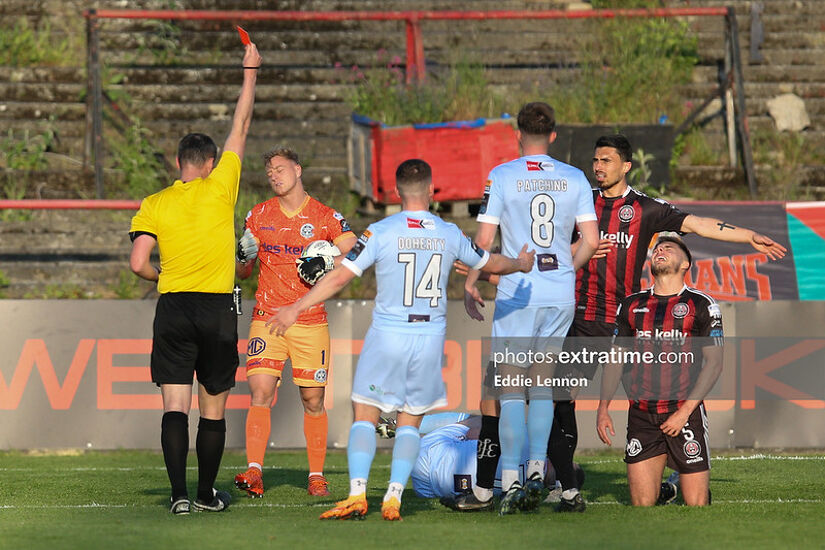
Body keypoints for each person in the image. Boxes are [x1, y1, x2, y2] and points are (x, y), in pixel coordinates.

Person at [270, 159, 536, 521]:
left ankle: (357, 494)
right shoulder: (449, 233)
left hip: (388, 334)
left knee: (365, 412)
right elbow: (490, 263)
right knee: (410, 419)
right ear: (431, 191)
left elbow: (339, 278)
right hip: (427, 337)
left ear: (395, 193)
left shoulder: (380, 231)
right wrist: (520, 265)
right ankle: (393, 496)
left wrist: (296, 307)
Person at [546, 133, 787, 512]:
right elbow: (549, 244)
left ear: (626, 166)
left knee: (657, 398)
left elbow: (701, 224)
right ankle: (565, 480)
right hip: (578, 317)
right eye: (596, 160)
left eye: (606, 161)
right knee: (560, 397)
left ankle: (681, 469)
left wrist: (748, 236)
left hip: (622, 320)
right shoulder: (581, 202)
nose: (598, 167)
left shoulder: (644, 208)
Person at [128, 41, 261, 514]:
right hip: (216, 306)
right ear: (208, 164)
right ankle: (207, 494)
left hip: (174, 305)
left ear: (179, 164)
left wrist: (163, 272)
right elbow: (240, 125)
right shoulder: (221, 186)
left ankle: (178, 496)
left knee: (173, 407)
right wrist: (249, 70)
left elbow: (138, 262)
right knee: (213, 408)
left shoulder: (156, 202)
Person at [463, 102, 599, 515]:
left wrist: (471, 281)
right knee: (542, 384)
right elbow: (591, 240)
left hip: (519, 290)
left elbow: (484, 241)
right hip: (559, 292)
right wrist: (564, 272)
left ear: (517, 134)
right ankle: (539, 470)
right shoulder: (575, 177)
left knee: (509, 389)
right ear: (553, 135)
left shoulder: (502, 175)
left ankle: (510, 481)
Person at [233, 147, 356, 498]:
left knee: (313, 399)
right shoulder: (258, 215)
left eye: (280, 168)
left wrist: (329, 261)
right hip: (267, 317)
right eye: (269, 170)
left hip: (310, 319)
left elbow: (356, 251)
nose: (274, 174)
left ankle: (316, 474)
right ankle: (255, 471)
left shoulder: (324, 216)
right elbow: (244, 271)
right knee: (260, 391)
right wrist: (242, 257)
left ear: (298, 170)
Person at [597, 236, 724, 506]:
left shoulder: (702, 304)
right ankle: (668, 488)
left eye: (670, 248)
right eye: (657, 248)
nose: (661, 250)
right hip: (642, 415)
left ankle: (678, 483)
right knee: (643, 504)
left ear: (685, 264)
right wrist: (603, 408)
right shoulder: (631, 304)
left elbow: (714, 363)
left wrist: (684, 413)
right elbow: (615, 358)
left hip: (684, 412)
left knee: (696, 504)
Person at [406, 413, 585, 503]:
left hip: (426, 453)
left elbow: (473, 433)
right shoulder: (525, 497)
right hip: (427, 490)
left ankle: (409, 426)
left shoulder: (530, 440)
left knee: (479, 420)